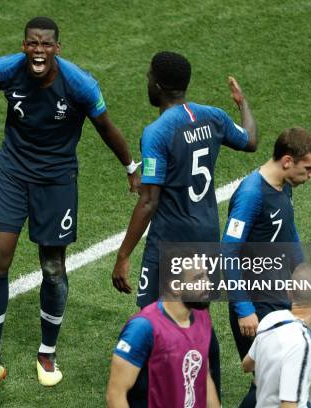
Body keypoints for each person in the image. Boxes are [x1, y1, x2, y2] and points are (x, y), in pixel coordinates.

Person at [0, 17, 140, 397]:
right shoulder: (6, 69)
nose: (38, 50)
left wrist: (130, 167)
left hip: (56, 181)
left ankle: (47, 353)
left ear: (57, 49)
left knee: (52, 267)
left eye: (46, 44)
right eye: (32, 44)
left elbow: (106, 126)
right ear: (24, 46)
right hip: (11, 174)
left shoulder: (80, 84)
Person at [111, 51, 258, 397]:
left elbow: (149, 200)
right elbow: (250, 141)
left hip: (170, 243)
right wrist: (243, 104)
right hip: (206, 239)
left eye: (149, 77)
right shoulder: (212, 117)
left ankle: (155, 397)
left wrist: (123, 254)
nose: (146, 81)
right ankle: (210, 396)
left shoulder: (158, 132)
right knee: (198, 321)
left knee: (152, 321)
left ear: (159, 86)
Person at [221, 127, 311, 407]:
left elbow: (289, 233)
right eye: (309, 168)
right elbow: (228, 252)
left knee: (272, 383)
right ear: (287, 161)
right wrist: (244, 309)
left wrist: (303, 278)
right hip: (256, 305)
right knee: (271, 383)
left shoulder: (284, 186)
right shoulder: (252, 194)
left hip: (279, 299)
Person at [107, 263, 221, 408]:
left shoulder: (202, 317)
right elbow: (115, 395)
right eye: (198, 279)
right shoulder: (143, 328)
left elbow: (203, 375)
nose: (207, 284)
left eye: (206, 276)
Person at [242, 263, 311, 408]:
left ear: (289, 292)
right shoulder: (301, 344)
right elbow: (288, 404)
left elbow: (247, 365)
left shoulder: (271, 319)